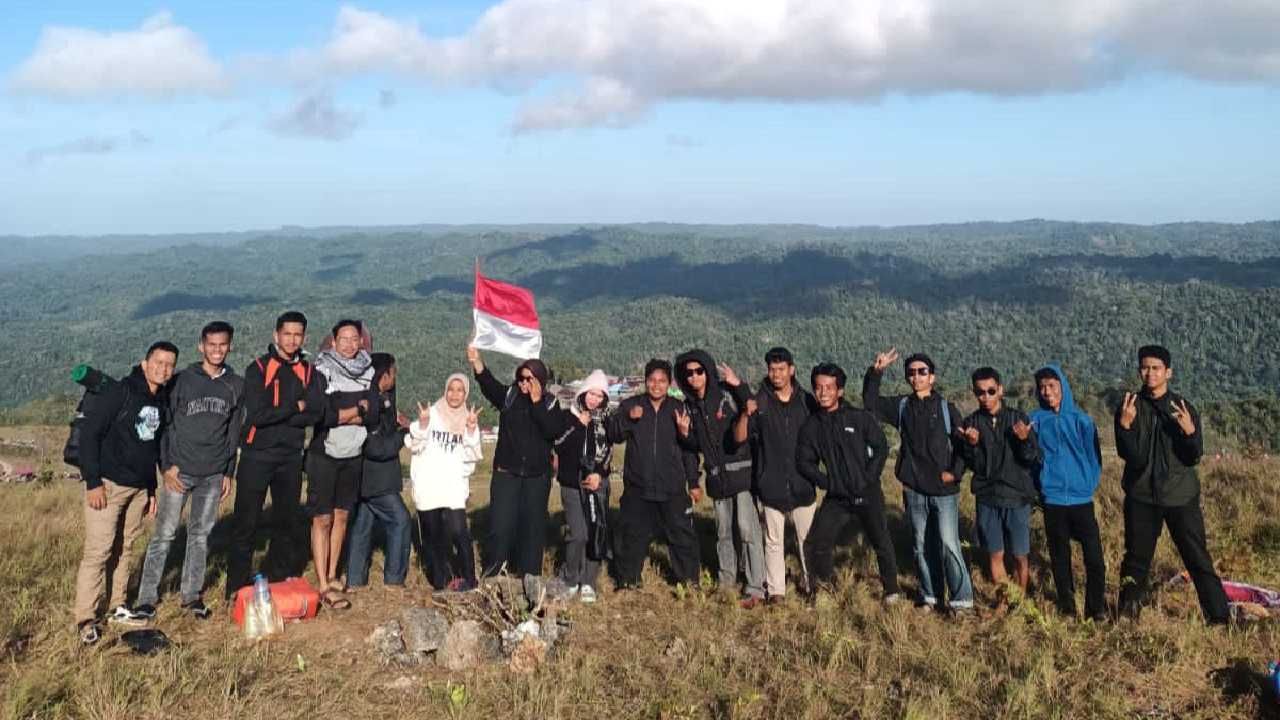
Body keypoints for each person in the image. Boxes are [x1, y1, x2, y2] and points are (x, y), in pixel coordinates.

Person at [133, 322, 242, 621]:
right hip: (178, 472)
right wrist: (166, 467)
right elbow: (163, 426)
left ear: (230, 346)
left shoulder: (235, 384)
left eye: (222, 345)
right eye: (211, 344)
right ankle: (146, 598)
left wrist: (228, 472)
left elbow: (233, 433)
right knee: (164, 535)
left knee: (200, 536)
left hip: (213, 474)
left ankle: (191, 596)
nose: (217, 350)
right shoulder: (181, 381)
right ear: (201, 346)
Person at [1115, 345, 1230, 625]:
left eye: (1156, 368)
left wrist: (1189, 433)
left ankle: (1219, 619)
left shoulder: (1182, 406)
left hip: (1180, 496)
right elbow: (1131, 456)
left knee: (1197, 558)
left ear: (1168, 372)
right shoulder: (1131, 406)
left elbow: (1193, 456)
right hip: (1142, 495)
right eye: (1145, 367)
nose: (1150, 373)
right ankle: (1128, 617)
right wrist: (1125, 427)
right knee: (1136, 560)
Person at [73, 341, 177, 644]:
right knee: (98, 552)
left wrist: (151, 488)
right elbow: (90, 436)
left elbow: (150, 447)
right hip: (108, 485)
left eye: (170, 364)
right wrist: (92, 482)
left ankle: (118, 605)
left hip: (139, 489)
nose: (164, 368)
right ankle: (86, 618)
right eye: (158, 362)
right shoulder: (120, 392)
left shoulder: (161, 399)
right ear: (144, 364)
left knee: (125, 547)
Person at [863, 348, 974, 611]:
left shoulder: (947, 409)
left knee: (949, 544)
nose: (916, 377)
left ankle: (961, 601)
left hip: (944, 490)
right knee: (921, 545)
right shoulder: (902, 406)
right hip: (914, 489)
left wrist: (955, 473)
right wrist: (876, 371)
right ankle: (930, 596)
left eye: (922, 372)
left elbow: (962, 446)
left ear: (932, 377)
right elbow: (871, 403)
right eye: (911, 372)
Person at [227, 311, 323, 602]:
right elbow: (257, 414)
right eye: (287, 334)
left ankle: (279, 582)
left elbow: (317, 411)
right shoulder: (257, 368)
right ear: (276, 335)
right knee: (247, 522)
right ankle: (236, 587)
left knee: (286, 522)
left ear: (304, 337)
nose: (292, 340)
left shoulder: (310, 372)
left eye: (298, 335)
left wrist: (285, 414)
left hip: (291, 458)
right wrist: (296, 407)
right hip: (257, 455)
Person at [796, 362, 899, 603]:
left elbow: (880, 446)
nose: (823, 393)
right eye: (819, 387)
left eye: (829, 387)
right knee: (819, 542)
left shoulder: (858, 417)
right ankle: (825, 590)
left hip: (867, 492)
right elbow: (804, 461)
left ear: (840, 391)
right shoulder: (812, 426)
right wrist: (826, 482)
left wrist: (869, 477)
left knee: (880, 540)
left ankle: (892, 590)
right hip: (837, 497)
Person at [675, 349, 764, 608]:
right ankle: (727, 583)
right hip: (717, 479)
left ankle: (755, 586)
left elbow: (753, 414)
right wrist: (683, 434)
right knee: (723, 533)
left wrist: (741, 386)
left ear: (707, 370)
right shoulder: (690, 407)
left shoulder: (726, 393)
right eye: (688, 373)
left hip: (743, 474)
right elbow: (694, 447)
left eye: (698, 371)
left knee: (748, 531)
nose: (694, 377)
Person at [467, 346, 562, 577]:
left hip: (537, 477)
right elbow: (489, 385)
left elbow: (551, 431)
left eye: (530, 378)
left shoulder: (551, 404)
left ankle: (530, 577)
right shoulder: (509, 396)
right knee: (500, 527)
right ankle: (494, 574)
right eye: (520, 377)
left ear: (540, 380)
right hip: (506, 473)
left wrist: (537, 402)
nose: (524, 383)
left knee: (532, 529)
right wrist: (477, 362)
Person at [733, 346, 818, 604]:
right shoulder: (761, 402)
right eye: (772, 369)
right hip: (771, 484)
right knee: (773, 541)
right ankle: (777, 591)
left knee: (808, 540)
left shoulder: (806, 401)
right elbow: (739, 437)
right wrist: (746, 413)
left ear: (792, 370)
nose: (776, 374)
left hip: (803, 483)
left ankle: (813, 586)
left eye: (781, 369)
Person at [607, 359, 701, 590]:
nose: (656, 385)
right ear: (645, 381)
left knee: (681, 536)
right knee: (632, 535)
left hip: (672, 487)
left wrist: (694, 481)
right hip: (638, 486)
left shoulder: (679, 408)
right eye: (652, 380)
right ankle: (628, 581)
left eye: (662, 381)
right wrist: (629, 418)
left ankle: (688, 582)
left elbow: (690, 450)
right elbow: (613, 433)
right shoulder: (632, 405)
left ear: (669, 383)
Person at [307, 319, 379, 609]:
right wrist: (357, 409)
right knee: (322, 519)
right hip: (324, 454)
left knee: (341, 517)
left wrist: (344, 413)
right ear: (333, 342)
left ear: (361, 342)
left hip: (353, 453)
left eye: (354, 339)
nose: (349, 344)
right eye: (343, 339)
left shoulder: (368, 371)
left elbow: (373, 415)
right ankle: (323, 583)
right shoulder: (321, 372)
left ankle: (334, 573)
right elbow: (321, 416)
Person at [958, 367, 1039, 610]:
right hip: (988, 497)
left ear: (1000, 391)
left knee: (1020, 555)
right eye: (980, 392)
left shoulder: (1018, 419)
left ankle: (1021, 601)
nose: (986, 396)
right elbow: (973, 464)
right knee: (995, 554)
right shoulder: (971, 424)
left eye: (991, 391)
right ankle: (1005, 602)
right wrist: (971, 445)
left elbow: (1031, 458)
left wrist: (1024, 441)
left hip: (1016, 497)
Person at [1032, 364, 1107, 621]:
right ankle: (1067, 608)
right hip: (1053, 500)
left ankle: (1096, 609)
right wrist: (1042, 486)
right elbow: (1031, 457)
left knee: (1094, 558)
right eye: (1042, 387)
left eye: (1051, 386)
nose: (1046, 391)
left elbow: (1094, 458)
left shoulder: (1082, 421)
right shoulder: (1036, 421)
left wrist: (1086, 484)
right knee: (1059, 557)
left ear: (1063, 387)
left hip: (1081, 499)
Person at [408, 373, 483, 590]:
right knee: (432, 536)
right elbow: (415, 445)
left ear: (466, 393)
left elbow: (471, 456)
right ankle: (441, 582)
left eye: (460, 390)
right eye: (451, 389)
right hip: (429, 483)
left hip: (452, 486)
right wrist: (422, 424)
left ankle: (470, 580)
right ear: (445, 390)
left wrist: (469, 429)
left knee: (460, 532)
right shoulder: (431, 414)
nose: (455, 394)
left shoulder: (469, 419)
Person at [346, 353, 413, 591]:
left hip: (366, 479)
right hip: (377, 479)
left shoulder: (381, 399)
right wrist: (403, 435)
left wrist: (396, 423)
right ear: (383, 375)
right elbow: (376, 447)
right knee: (401, 521)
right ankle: (394, 579)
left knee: (363, 526)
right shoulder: (369, 403)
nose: (395, 376)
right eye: (393, 372)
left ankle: (354, 580)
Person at [552, 369, 615, 603]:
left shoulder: (606, 420)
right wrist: (579, 425)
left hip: (596, 485)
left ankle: (589, 581)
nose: (594, 400)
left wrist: (599, 474)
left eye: (600, 396)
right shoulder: (568, 416)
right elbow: (559, 445)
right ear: (583, 392)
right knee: (577, 534)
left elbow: (608, 452)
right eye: (592, 394)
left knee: (594, 532)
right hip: (571, 483)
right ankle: (570, 578)